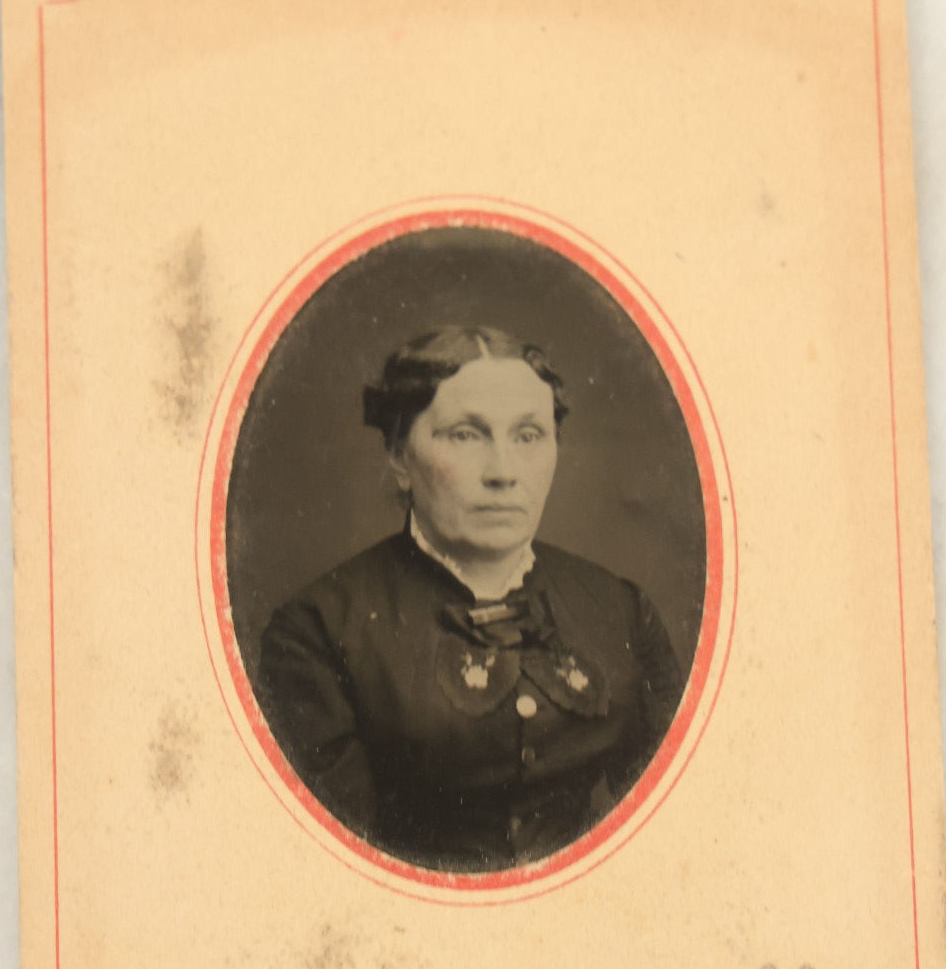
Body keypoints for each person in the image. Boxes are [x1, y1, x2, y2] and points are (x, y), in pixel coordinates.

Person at [255, 324, 686, 874]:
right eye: (465, 435)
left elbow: (677, 826)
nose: (503, 473)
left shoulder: (620, 609)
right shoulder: (318, 630)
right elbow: (333, 866)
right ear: (399, 457)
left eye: (528, 435)